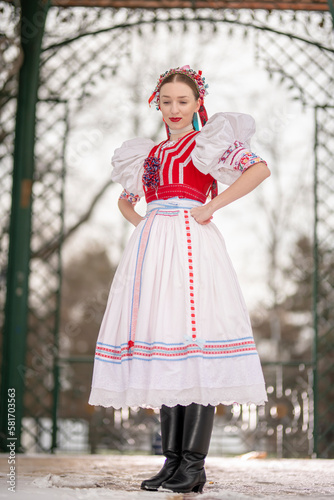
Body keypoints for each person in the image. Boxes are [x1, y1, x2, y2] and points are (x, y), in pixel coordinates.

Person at [89, 65, 270, 493]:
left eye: (182, 101)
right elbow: (126, 199)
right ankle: (172, 462)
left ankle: (194, 464)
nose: (173, 108)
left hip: (192, 248)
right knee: (164, 344)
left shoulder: (206, 143)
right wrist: (146, 224)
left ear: (197, 103)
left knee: (194, 341)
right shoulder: (148, 154)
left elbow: (258, 169)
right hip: (153, 251)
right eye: (166, 100)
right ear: (157, 103)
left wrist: (211, 208)